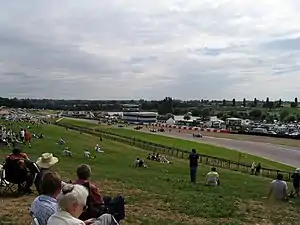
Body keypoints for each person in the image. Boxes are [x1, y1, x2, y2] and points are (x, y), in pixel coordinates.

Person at [47, 184, 118, 225]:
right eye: (84, 207)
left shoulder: (52, 219)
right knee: (107, 217)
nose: (82, 211)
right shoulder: (76, 224)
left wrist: (83, 223)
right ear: (74, 206)